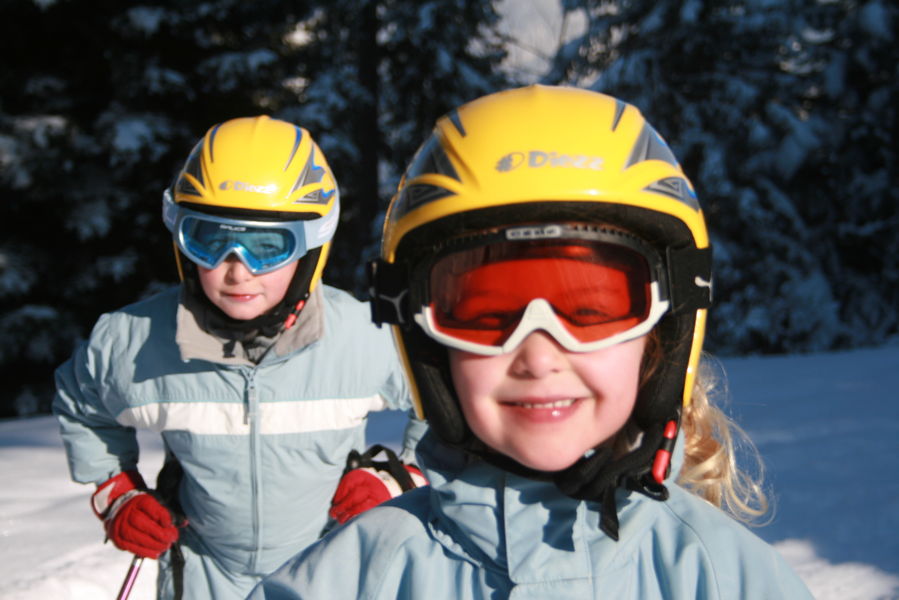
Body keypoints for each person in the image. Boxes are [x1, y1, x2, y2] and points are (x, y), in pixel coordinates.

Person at [249, 85, 814, 599]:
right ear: (426, 344)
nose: (539, 356)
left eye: (590, 313)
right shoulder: (348, 583)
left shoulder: (724, 580)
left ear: (663, 336)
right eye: (487, 314)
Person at [52, 115, 426, 599]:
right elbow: (82, 403)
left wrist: (400, 475)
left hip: (333, 568)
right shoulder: (135, 342)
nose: (237, 270)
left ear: (311, 247)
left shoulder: (361, 336)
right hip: (205, 575)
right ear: (181, 240)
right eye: (210, 240)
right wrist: (117, 492)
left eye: (267, 247)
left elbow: (442, 397)